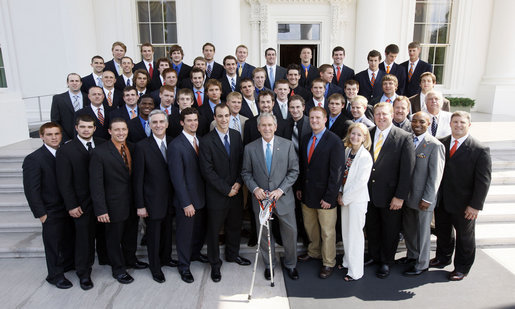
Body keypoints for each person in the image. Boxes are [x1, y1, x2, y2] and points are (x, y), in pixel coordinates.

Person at [430, 111, 492, 281]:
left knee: (464, 237)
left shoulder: (480, 149)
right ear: (450, 124)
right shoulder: (441, 143)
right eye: (455, 122)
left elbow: (483, 181)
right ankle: (442, 257)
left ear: (468, 125)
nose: (458, 125)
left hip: (465, 204)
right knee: (443, 232)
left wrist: (475, 205)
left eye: (462, 122)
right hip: (442, 200)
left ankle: (462, 268)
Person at [241, 112, 300, 281]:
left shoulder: (287, 145)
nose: (267, 128)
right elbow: (246, 172)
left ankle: (291, 264)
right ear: (258, 128)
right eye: (263, 125)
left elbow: (294, 171)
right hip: (261, 200)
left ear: (275, 127)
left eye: (270, 125)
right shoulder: (250, 148)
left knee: (290, 233)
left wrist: (281, 190)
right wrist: (254, 189)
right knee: (265, 234)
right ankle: (269, 265)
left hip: (283, 198)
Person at [90, 118, 148, 285]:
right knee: (114, 239)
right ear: (110, 131)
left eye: (123, 129)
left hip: (132, 202)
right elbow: (96, 184)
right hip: (112, 205)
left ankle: (131, 259)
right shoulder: (99, 153)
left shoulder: (133, 147)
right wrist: (101, 210)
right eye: (117, 130)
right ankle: (118, 269)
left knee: (131, 234)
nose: (121, 132)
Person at [200, 103, 251, 283]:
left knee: (234, 226)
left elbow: (241, 163)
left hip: (236, 192)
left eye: (226, 116)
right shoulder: (206, 140)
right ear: (215, 118)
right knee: (214, 230)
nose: (223, 119)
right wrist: (225, 189)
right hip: (217, 194)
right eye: (220, 116)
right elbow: (207, 171)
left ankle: (233, 254)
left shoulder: (237, 136)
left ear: (231, 117)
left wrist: (237, 183)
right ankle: (214, 263)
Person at [366, 102, 415, 279]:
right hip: (369, 193)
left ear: (392, 114)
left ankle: (386, 261)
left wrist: (400, 196)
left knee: (390, 230)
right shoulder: (368, 133)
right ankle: (373, 255)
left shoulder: (403, 137)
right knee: (372, 227)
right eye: (377, 114)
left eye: (384, 114)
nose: (380, 117)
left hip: (391, 196)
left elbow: (407, 170)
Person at [56, 115, 105, 290]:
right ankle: (83, 273)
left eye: (89, 127)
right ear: (76, 128)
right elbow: (64, 182)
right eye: (82, 127)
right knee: (84, 240)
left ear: (94, 128)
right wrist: (71, 205)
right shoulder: (66, 150)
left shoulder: (101, 144)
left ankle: (105, 260)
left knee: (103, 236)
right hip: (81, 204)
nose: (86, 130)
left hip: (102, 202)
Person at [23, 122, 74, 289]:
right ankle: (54, 275)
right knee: (53, 244)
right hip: (50, 210)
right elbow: (32, 190)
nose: (54, 137)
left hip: (68, 207)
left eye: (57, 134)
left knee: (68, 240)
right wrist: (41, 213)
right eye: (50, 134)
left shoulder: (65, 153)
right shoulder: (34, 159)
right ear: (42, 136)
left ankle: (66, 265)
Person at [297, 107, 345, 279]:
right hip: (308, 194)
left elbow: (337, 173)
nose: (314, 121)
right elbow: (304, 167)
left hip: (325, 196)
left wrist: (329, 197)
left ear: (325, 119)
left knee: (327, 231)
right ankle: (314, 251)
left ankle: (328, 262)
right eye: (312, 117)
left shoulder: (334, 141)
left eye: (318, 118)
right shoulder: (305, 139)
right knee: (311, 228)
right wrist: (301, 188)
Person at [133, 110, 178, 284]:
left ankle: (166, 258)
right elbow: (138, 179)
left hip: (171, 199)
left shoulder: (174, 143)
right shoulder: (142, 146)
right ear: (149, 125)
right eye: (154, 122)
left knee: (167, 232)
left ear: (167, 124)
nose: (158, 125)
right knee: (153, 236)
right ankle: (155, 266)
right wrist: (140, 204)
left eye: (161, 122)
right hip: (152, 201)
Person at [401, 111, 445, 276]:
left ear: (428, 124)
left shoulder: (434, 145)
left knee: (423, 232)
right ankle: (412, 256)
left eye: (422, 122)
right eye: (414, 121)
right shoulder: (408, 140)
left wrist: (428, 198)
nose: (417, 125)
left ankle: (422, 263)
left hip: (423, 198)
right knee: (410, 230)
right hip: (407, 197)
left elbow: (435, 176)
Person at [168, 107, 208, 283]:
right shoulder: (176, 145)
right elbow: (177, 178)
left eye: (195, 120)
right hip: (187, 201)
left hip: (201, 198)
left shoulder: (199, 140)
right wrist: (186, 203)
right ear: (182, 123)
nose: (193, 123)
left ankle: (195, 254)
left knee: (198, 232)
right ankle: (184, 266)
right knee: (184, 235)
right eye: (189, 120)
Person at [337, 123, 373, 281]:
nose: (355, 137)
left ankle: (356, 271)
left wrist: (345, 198)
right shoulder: (347, 151)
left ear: (365, 138)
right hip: (345, 199)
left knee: (355, 235)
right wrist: (340, 193)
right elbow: (341, 175)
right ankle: (347, 262)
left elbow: (360, 183)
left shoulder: (365, 156)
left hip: (356, 201)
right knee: (346, 233)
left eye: (359, 135)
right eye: (353, 134)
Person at [50, 73, 89, 142]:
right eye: (72, 81)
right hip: (66, 139)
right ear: (67, 83)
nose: (74, 83)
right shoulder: (58, 99)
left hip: (87, 137)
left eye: (77, 81)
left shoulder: (89, 97)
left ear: (81, 83)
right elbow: (55, 121)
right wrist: (64, 138)